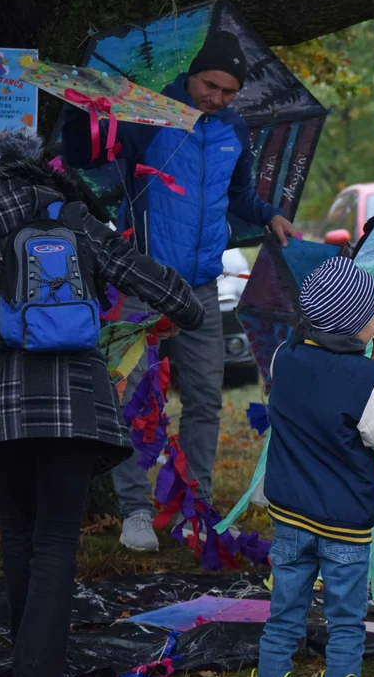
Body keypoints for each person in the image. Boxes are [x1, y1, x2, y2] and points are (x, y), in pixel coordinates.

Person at [0, 128, 204, 677]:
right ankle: (37, 668)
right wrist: (184, 312)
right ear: (44, 176)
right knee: (56, 538)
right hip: (77, 405)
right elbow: (166, 290)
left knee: (17, 529)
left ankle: (26, 658)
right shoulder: (77, 222)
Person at [61, 30, 299, 551]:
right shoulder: (149, 116)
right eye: (211, 85)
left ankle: (197, 512)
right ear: (192, 74)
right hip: (140, 279)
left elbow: (239, 195)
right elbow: (81, 154)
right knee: (133, 397)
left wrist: (270, 214)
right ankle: (136, 512)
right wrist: (81, 109)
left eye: (229, 91)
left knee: (205, 402)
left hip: (201, 287)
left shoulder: (234, 129)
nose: (217, 98)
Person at [258, 256, 374, 677]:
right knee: (345, 621)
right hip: (344, 522)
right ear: (353, 323)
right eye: (373, 314)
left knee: (284, 613)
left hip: (289, 514)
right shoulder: (366, 379)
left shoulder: (283, 359)